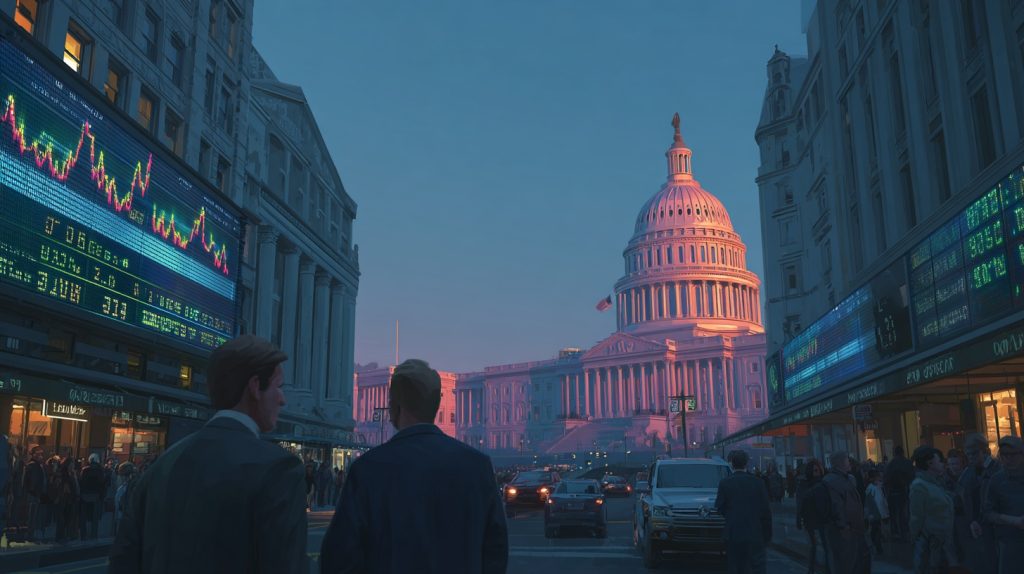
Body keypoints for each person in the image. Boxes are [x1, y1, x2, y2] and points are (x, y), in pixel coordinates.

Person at [109, 335, 307, 574]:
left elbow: (123, 563)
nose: (282, 399)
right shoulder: (279, 469)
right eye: (278, 387)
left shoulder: (162, 465)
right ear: (255, 387)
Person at [320, 359, 508, 574]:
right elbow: (495, 549)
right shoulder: (478, 466)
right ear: (437, 406)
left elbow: (340, 555)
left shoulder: (367, 469)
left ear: (394, 405)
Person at [715, 449, 772, 574]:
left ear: (732, 464)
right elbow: (766, 510)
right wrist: (767, 534)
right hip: (755, 532)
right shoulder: (758, 482)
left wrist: (731, 515)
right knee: (756, 566)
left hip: (734, 533)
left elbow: (719, 506)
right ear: (746, 463)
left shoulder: (725, 483)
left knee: (735, 566)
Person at [909, 446, 955, 573]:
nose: (943, 463)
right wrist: (917, 538)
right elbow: (916, 518)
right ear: (929, 463)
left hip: (943, 545)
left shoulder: (935, 483)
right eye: (939, 460)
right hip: (931, 546)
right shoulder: (919, 486)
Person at [982, 436, 1024, 574]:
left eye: (1012, 455)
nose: (1008, 459)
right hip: (1010, 543)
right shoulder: (997, 480)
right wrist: (1012, 520)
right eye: (1004, 455)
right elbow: (987, 512)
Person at [822, 451, 869, 574]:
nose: (850, 463)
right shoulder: (832, 482)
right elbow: (837, 506)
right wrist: (844, 527)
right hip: (844, 531)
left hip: (853, 529)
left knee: (855, 562)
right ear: (840, 463)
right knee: (846, 563)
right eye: (847, 460)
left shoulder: (848, 478)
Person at [960, 433, 1000, 574]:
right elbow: (964, 498)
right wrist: (971, 521)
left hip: (994, 525)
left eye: (974, 453)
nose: (971, 457)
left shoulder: (997, 469)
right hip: (977, 524)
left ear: (985, 451)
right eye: (968, 454)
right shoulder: (968, 472)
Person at [796, 458, 830, 574]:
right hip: (810, 520)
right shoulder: (804, 485)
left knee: (825, 547)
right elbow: (799, 503)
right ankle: (812, 570)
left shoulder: (824, 484)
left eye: (818, 470)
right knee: (814, 546)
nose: (817, 472)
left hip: (822, 520)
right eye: (815, 470)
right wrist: (798, 519)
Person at [886, 445, 915, 540]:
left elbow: (886, 478)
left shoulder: (890, 464)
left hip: (893, 492)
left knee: (894, 514)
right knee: (905, 512)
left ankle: (896, 532)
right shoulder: (907, 463)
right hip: (905, 491)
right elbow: (912, 476)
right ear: (903, 452)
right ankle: (905, 532)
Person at [78, 453, 105, 540]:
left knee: (83, 517)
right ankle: (93, 534)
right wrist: (101, 496)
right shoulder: (100, 470)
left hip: (85, 495)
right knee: (94, 517)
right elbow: (102, 484)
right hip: (96, 496)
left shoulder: (85, 470)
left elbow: (81, 482)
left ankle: (83, 534)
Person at [864, 469, 889, 556]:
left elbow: (882, 500)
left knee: (876, 530)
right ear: (873, 478)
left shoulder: (878, 487)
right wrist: (871, 514)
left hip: (879, 513)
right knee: (875, 530)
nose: (880, 479)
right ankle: (877, 547)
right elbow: (869, 503)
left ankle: (877, 545)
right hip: (875, 514)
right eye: (878, 478)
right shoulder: (871, 488)